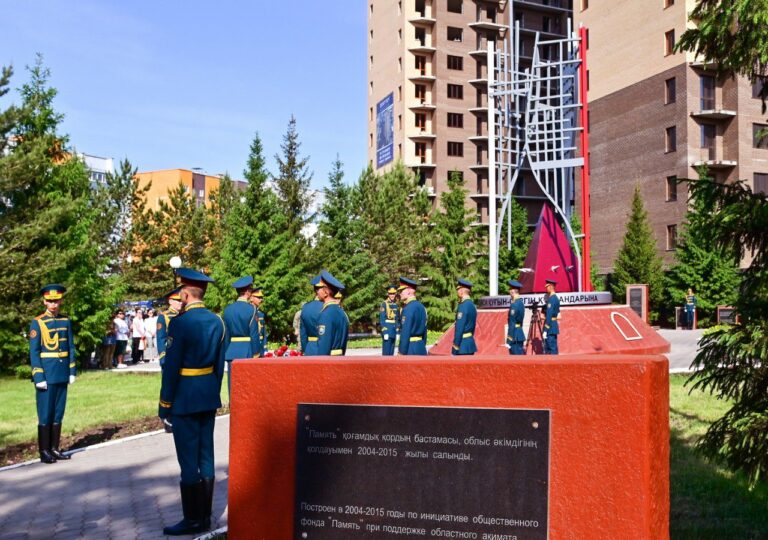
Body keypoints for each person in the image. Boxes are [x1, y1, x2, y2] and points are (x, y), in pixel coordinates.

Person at [158, 268, 225, 536]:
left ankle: (193, 520)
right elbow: (219, 366)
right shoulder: (218, 321)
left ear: (185, 294)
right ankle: (206, 516)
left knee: (188, 460)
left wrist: (165, 405)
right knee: (206, 455)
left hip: (184, 397)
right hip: (208, 395)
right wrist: (212, 391)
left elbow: (171, 369)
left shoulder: (180, 323)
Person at [29, 284, 76, 464]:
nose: (53, 305)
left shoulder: (65, 321)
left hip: (62, 373)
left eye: (56, 301)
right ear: (44, 302)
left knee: (58, 412)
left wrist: (72, 370)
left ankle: (55, 448)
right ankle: (44, 451)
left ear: (61, 301)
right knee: (45, 413)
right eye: (50, 301)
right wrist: (38, 376)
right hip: (46, 375)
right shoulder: (38, 322)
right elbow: (34, 352)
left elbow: (70, 347)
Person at [222, 276, 259, 397]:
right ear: (248, 292)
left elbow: (226, 335)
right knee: (248, 387)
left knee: (233, 387)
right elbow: (254, 334)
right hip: (247, 351)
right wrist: (256, 354)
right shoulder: (251, 309)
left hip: (232, 351)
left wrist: (226, 351)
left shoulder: (228, 310)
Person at [315, 270, 349, 356]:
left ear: (326, 292)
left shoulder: (326, 314)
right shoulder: (341, 312)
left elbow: (324, 346)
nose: (316, 291)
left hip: (328, 362)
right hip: (340, 359)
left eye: (318, 288)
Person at [398, 277, 428, 355]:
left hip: (409, 348)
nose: (400, 293)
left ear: (408, 291)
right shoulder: (422, 307)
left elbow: (405, 332)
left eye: (401, 291)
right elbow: (425, 331)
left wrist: (401, 352)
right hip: (421, 347)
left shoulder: (407, 309)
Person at [157, 288, 183, 368]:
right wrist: (163, 357)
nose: (181, 303)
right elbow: (161, 339)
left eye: (182, 300)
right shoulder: (164, 316)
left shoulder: (185, 315)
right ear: (170, 301)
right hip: (170, 355)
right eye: (178, 300)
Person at [452, 278, 477, 355]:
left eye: (458, 289)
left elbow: (460, 328)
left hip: (462, 346)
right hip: (469, 343)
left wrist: (455, 346)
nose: (457, 292)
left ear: (461, 291)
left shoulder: (463, 306)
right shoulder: (472, 305)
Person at [300, 276, 325, 355]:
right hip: (325, 349)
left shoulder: (305, 307)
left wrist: (305, 349)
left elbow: (303, 333)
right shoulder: (327, 307)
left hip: (310, 349)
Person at [379, 285, 400, 356]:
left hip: (393, 331)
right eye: (390, 294)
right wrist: (385, 331)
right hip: (387, 331)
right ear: (388, 294)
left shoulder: (396, 304)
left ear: (396, 294)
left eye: (393, 293)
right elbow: (382, 319)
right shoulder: (384, 304)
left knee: (391, 354)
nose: (392, 295)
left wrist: (397, 332)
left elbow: (397, 319)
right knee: (386, 354)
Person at [506, 280, 526, 355]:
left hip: (514, 336)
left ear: (512, 291)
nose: (509, 292)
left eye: (510, 289)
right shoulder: (521, 303)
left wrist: (509, 339)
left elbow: (512, 322)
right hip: (519, 333)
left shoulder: (514, 305)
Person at [543, 278, 561, 355]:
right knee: (553, 346)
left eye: (547, 287)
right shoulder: (555, 298)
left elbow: (549, 315)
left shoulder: (552, 299)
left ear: (550, 287)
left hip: (550, 326)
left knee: (551, 348)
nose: (546, 289)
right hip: (553, 325)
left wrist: (545, 330)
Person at [250, 286, 267, 357]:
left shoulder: (261, 314)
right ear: (251, 298)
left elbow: (263, 332)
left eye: (261, 298)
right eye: (258, 297)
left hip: (261, 347)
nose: (261, 300)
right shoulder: (249, 312)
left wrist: (265, 347)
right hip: (251, 346)